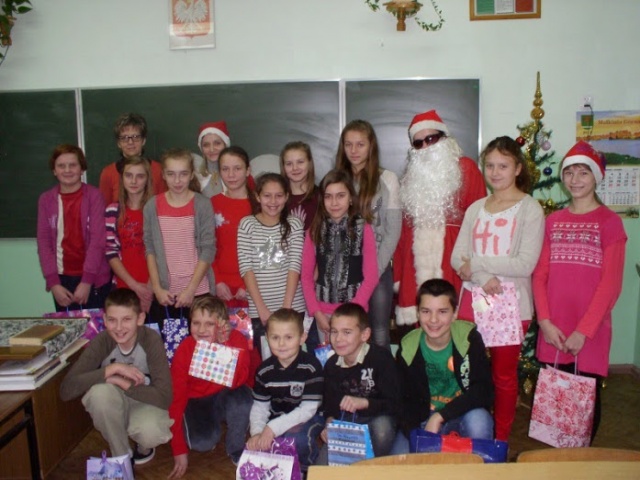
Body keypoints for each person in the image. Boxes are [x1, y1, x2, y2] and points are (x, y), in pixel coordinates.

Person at [451, 136, 544, 441]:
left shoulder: (530, 209)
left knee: (503, 376)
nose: (494, 172)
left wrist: (477, 264)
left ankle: (500, 439)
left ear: (518, 168)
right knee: (464, 370)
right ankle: (465, 429)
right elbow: (456, 258)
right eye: (489, 165)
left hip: (511, 304)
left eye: (503, 166)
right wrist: (481, 275)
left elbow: (525, 264)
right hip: (472, 302)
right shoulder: (475, 208)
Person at [533, 140, 627, 442]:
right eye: (569, 172)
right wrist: (545, 322)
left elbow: (610, 285)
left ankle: (581, 459)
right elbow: (540, 275)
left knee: (584, 404)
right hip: (554, 330)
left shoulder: (610, 223)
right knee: (554, 403)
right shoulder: (553, 222)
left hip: (589, 332)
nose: (575, 180)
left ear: (596, 177)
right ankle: (556, 459)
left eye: (583, 173)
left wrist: (583, 332)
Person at [393, 110, 486, 327]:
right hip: (415, 267)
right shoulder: (410, 179)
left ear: (444, 138)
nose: (425, 147)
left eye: (431, 139)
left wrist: (475, 265)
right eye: (418, 143)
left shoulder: (466, 169)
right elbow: (403, 234)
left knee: (457, 328)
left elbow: (480, 223)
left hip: (454, 262)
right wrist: (399, 275)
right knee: (423, 329)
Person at [60, 288, 173, 465]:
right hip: (114, 400)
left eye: (127, 319)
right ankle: (121, 455)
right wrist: (112, 370)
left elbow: (165, 397)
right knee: (99, 394)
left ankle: (143, 445)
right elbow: (66, 390)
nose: (119, 328)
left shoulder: (151, 340)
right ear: (105, 320)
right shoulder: (102, 341)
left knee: (151, 432)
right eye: (112, 320)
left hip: (145, 400)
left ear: (140, 319)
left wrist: (124, 383)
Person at [397, 279, 494, 443]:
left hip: (462, 412)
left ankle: (477, 460)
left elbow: (483, 390)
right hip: (422, 418)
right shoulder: (408, 347)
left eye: (442, 312)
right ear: (417, 313)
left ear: (454, 314)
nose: (433, 320)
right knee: (400, 456)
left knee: (479, 423)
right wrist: (417, 434)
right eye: (426, 311)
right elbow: (402, 400)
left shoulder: (468, 338)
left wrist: (440, 416)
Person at [168, 295, 253, 479]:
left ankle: (236, 448)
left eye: (209, 324)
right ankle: (209, 426)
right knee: (202, 443)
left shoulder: (236, 339)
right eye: (196, 323)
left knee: (243, 400)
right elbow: (176, 398)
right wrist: (178, 449)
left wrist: (225, 345)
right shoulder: (185, 349)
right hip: (197, 401)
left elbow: (238, 381)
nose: (201, 330)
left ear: (222, 324)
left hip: (225, 394)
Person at [335, 120, 401, 350]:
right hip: (344, 270)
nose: (354, 150)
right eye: (348, 144)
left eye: (360, 144)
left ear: (371, 146)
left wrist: (373, 271)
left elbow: (393, 230)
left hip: (379, 268)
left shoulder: (388, 179)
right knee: (346, 330)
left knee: (379, 332)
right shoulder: (336, 179)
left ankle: (382, 374)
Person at [301, 170, 379, 341]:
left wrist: (353, 311)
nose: (334, 203)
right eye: (328, 197)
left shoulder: (363, 229)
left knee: (353, 355)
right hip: (324, 316)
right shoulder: (314, 231)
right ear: (322, 200)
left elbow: (371, 277)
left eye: (340, 196)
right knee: (330, 357)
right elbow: (306, 277)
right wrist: (317, 312)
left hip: (355, 312)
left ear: (351, 198)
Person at [317, 303, 400, 463]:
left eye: (347, 332)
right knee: (322, 466)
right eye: (334, 331)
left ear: (364, 334)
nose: (338, 339)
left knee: (382, 429)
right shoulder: (331, 365)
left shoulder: (381, 359)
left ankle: (373, 467)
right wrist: (329, 425)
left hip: (378, 418)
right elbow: (330, 406)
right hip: (347, 424)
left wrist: (364, 403)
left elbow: (395, 404)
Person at [144, 148, 216, 328]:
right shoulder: (152, 206)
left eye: (183, 174)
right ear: (163, 175)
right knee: (168, 343)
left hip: (198, 292)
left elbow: (207, 250)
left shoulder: (202, 204)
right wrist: (157, 288)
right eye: (171, 174)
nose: (177, 181)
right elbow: (150, 249)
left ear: (191, 175)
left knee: (200, 342)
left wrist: (191, 290)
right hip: (165, 294)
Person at [247, 308, 324, 471]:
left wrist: (272, 428)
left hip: (310, 417)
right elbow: (260, 407)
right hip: (278, 418)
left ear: (302, 338)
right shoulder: (264, 371)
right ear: (267, 338)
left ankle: (307, 468)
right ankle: (284, 471)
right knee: (264, 443)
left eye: (288, 337)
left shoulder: (311, 366)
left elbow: (308, 410)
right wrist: (257, 432)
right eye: (275, 337)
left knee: (295, 439)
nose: (281, 344)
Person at [37, 144, 112, 311]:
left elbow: (98, 241)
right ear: (54, 170)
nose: (67, 170)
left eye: (73, 165)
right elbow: (44, 243)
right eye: (61, 166)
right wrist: (53, 283)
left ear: (82, 168)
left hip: (93, 279)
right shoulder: (46, 200)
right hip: (61, 281)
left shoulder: (94, 196)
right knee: (68, 327)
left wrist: (87, 281)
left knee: (95, 327)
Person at [237, 173, 305, 351]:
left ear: (287, 196)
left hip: (292, 306)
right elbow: (246, 268)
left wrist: (286, 309)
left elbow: (295, 266)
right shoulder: (247, 224)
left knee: (293, 355)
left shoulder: (294, 224)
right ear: (258, 196)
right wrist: (261, 309)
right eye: (267, 195)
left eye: (279, 195)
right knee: (266, 358)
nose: (273, 201)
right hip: (260, 310)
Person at [105, 156, 154, 312]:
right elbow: (110, 252)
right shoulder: (112, 211)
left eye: (140, 176)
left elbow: (163, 252)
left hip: (154, 287)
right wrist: (134, 286)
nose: (133, 181)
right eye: (128, 175)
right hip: (124, 287)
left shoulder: (156, 210)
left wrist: (149, 289)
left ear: (147, 179)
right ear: (122, 178)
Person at [211, 146, 253, 309]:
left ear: (247, 170)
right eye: (225, 169)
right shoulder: (212, 203)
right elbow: (206, 246)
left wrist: (247, 284)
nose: (231, 175)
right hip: (220, 287)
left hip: (252, 286)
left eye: (237, 168)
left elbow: (263, 249)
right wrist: (217, 280)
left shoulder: (260, 205)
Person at [99, 113, 166, 204]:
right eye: (124, 138)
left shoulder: (158, 170)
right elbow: (104, 207)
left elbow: (164, 205)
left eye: (135, 137)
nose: (130, 142)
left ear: (143, 140)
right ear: (119, 143)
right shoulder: (108, 173)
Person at [280, 141, 320, 231]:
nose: (295, 168)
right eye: (289, 164)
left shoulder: (321, 196)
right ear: (283, 167)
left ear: (309, 163)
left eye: (300, 162)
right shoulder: (277, 198)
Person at [194, 121, 231, 197]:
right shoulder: (195, 178)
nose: (212, 149)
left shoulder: (239, 175)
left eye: (217, 143)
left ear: (225, 145)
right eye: (206, 145)